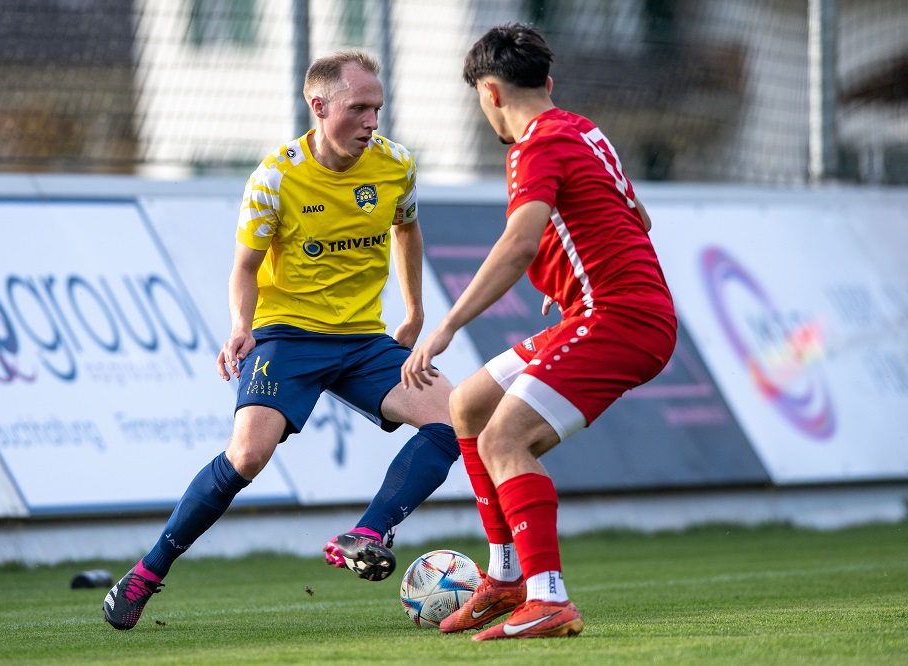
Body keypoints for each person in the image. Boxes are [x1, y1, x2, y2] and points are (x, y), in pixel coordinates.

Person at [103, 50, 459, 631]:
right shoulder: (275, 177)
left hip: (362, 339)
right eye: (359, 108)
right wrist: (240, 326)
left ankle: (369, 531)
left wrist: (415, 310)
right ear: (319, 106)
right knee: (247, 457)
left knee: (456, 417)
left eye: (377, 108)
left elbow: (407, 228)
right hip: (287, 336)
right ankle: (146, 573)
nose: (372, 121)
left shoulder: (396, 164)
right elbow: (244, 267)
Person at [401, 24, 677, 641]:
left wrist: (446, 325)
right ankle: (504, 577)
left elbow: (518, 243)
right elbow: (637, 217)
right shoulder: (584, 130)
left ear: (490, 92)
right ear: (546, 82)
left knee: (506, 439)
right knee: (469, 405)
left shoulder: (534, 146)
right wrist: (570, 273)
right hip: (612, 309)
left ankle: (547, 598)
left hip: (618, 318)